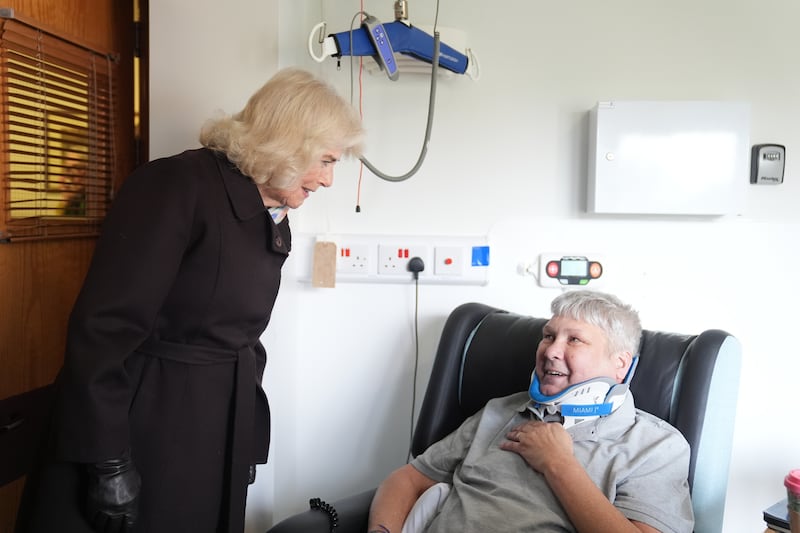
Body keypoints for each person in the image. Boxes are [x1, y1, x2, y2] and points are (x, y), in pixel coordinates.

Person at [22, 67, 364, 533]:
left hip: (211, 431)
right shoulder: (175, 185)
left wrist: (245, 436)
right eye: (325, 160)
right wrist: (107, 461)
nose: (327, 180)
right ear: (289, 141)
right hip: (142, 424)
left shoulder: (272, 214)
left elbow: (245, 337)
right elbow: (102, 330)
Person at [368, 290, 694, 533]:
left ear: (620, 363)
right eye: (549, 336)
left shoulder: (655, 445)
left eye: (574, 340)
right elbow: (408, 479)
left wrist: (558, 463)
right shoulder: (502, 411)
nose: (551, 350)